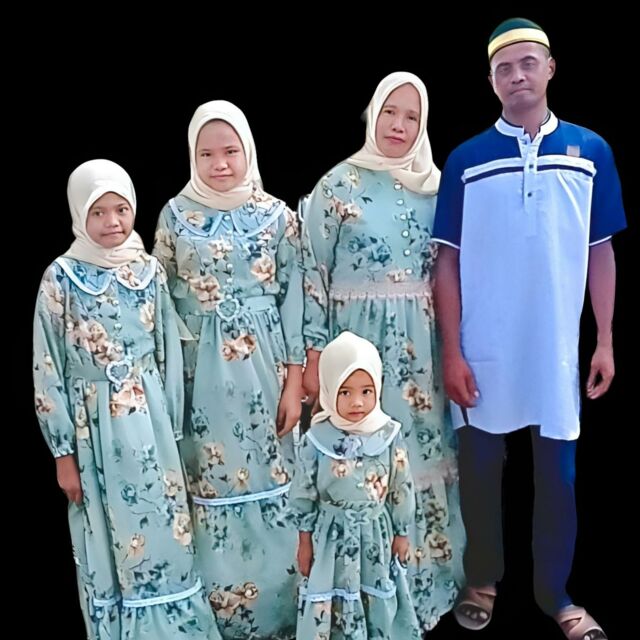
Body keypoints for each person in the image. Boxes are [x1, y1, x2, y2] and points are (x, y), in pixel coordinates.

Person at [433, 18, 626, 639]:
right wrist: (452, 352)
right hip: (482, 350)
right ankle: (482, 581)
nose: (517, 76)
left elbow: (600, 250)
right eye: (503, 68)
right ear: (491, 81)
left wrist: (604, 340)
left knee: (559, 480)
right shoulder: (465, 160)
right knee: (480, 474)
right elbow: (446, 262)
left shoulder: (590, 151)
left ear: (550, 68)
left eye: (527, 63)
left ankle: (557, 597)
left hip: (555, 351)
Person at [300, 71, 465, 631]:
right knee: (357, 460)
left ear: (423, 125)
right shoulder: (337, 185)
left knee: (416, 458)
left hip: (421, 351)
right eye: (390, 112)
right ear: (372, 114)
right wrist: (313, 356)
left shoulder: (437, 189)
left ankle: (420, 585)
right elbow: (312, 275)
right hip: (356, 351)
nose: (399, 125)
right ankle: (357, 595)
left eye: (411, 116)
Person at [33, 159, 221, 639]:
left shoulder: (148, 271)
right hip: (93, 430)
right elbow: (46, 368)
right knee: (109, 534)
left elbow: (167, 351)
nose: (112, 222)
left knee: (164, 527)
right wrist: (63, 455)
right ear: (79, 214)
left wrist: (172, 426)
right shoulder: (61, 279)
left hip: (151, 425)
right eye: (98, 212)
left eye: (121, 209)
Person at [152, 100, 304, 639]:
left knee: (273, 476)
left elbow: (296, 300)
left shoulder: (278, 217)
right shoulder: (175, 216)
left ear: (248, 151)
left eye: (230, 151)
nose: (220, 164)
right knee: (210, 481)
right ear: (192, 157)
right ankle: (223, 614)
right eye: (207, 154)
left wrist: (295, 381)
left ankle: (283, 611)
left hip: (264, 370)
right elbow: (159, 301)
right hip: (201, 378)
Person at [291, 331, 421, 639]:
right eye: (345, 392)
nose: (357, 402)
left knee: (376, 595)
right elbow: (303, 494)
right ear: (329, 388)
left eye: (366, 391)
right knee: (331, 599)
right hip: (330, 539)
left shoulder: (388, 435)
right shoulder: (316, 440)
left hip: (376, 534)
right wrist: (305, 541)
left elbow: (401, 487)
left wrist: (402, 532)